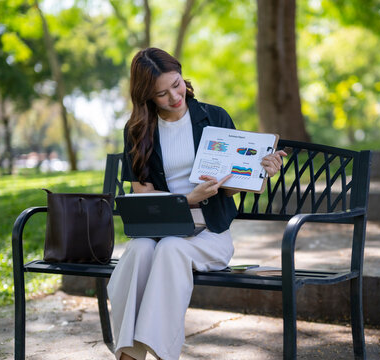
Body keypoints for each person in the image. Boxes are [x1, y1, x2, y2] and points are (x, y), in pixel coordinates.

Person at [107, 47, 287, 360]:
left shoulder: (214, 117)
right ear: (146, 96)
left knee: (170, 249)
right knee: (138, 251)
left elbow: (231, 189)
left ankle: (157, 355)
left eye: (176, 85)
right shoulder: (138, 130)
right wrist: (187, 200)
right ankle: (130, 355)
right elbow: (141, 193)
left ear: (182, 77)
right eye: (161, 94)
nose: (174, 97)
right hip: (162, 231)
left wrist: (262, 171)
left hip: (209, 235)